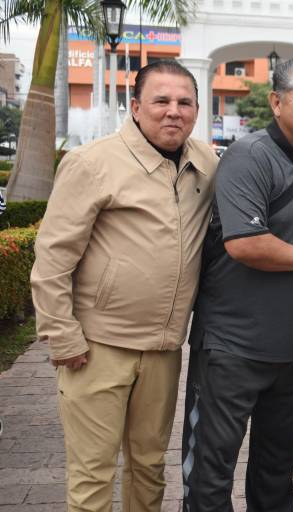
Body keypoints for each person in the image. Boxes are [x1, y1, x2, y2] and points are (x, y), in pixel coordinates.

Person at [30, 60, 218, 511]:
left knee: (149, 468)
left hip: (164, 350)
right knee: (93, 475)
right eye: (161, 101)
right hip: (96, 349)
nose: (173, 111)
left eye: (184, 102)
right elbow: (52, 258)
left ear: (196, 109)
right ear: (135, 107)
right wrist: (62, 335)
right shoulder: (91, 163)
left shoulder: (207, 163)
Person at [181, 57, 293, 511]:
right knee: (211, 473)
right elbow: (246, 243)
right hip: (232, 347)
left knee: (277, 471)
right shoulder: (249, 156)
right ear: (276, 102)